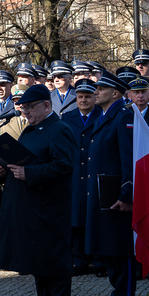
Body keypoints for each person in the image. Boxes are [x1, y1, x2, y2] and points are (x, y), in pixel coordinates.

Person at [0, 84, 77, 296]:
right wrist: (4, 169)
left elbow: (64, 166)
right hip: (31, 207)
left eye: (30, 107)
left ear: (46, 105)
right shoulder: (30, 130)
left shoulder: (59, 129)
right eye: (23, 108)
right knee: (38, 259)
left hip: (51, 207)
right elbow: (23, 161)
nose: (25, 112)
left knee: (54, 260)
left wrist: (29, 173)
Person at [84, 71, 136, 296]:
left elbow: (129, 159)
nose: (95, 92)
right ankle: (117, 293)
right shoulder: (103, 116)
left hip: (115, 194)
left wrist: (127, 195)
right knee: (108, 247)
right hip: (102, 193)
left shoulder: (123, 116)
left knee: (120, 248)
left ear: (115, 93)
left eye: (100, 89)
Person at [61, 80, 102, 273]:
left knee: (95, 217)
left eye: (87, 96)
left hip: (95, 174)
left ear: (95, 97)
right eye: (80, 97)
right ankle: (78, 260)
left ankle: (99, 260)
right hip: (75, 175)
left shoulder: (102, 115)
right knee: (75, 218)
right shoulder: (67, 118)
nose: (83, 100)